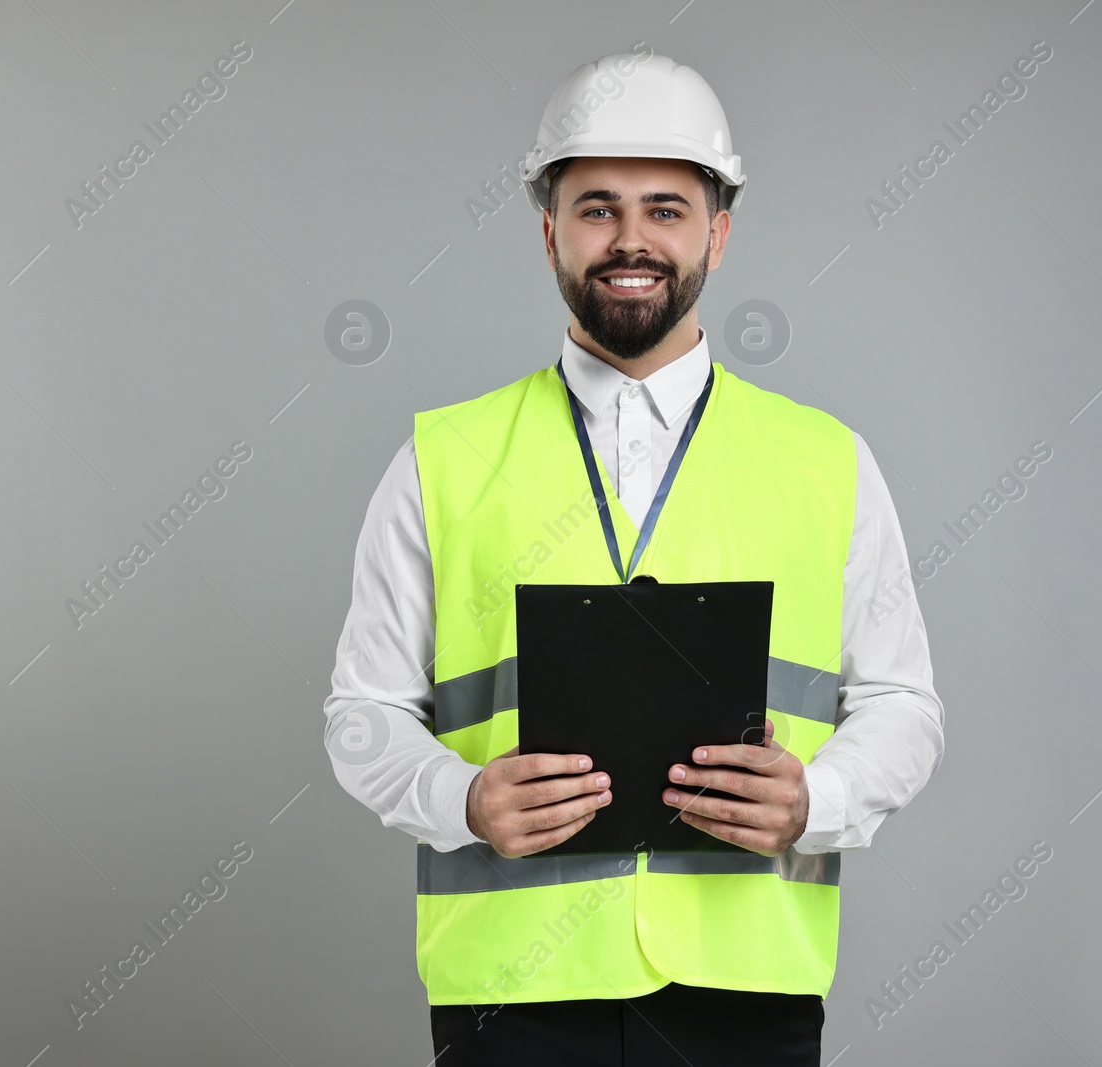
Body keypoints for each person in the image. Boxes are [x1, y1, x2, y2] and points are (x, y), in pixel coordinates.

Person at [324, 50, 944, 1066]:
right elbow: (362, 715)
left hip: (746, 987)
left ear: (718, 231)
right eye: (597, 207)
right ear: (549, 232)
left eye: (664, 208)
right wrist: (462, 799)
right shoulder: (441, 459)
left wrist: (817, 802)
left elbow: (903, 704)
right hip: (511, 988)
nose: (629, 239)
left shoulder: (825, 461)